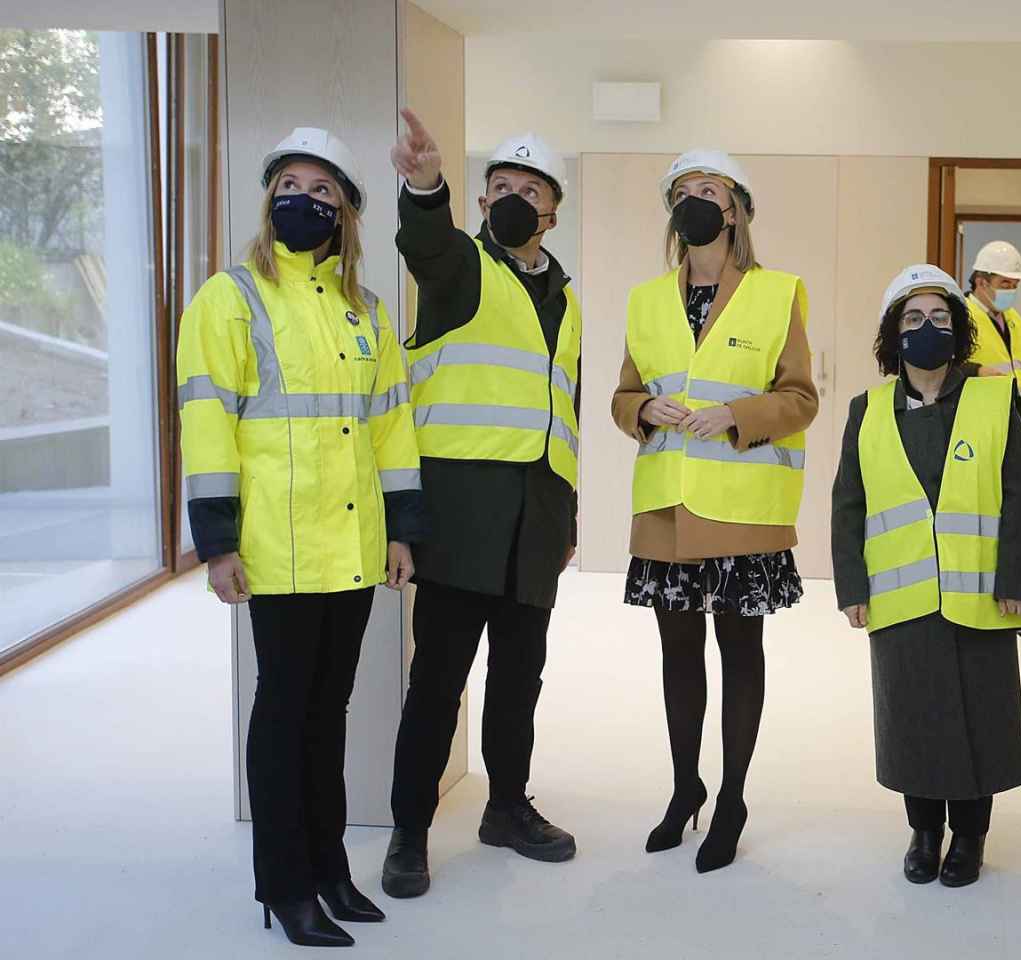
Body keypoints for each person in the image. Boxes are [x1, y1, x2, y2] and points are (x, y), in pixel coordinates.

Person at [179, 127, 424, 947]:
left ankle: (329, 870)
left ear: (347, 214)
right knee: (284, 714)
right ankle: (283, 887)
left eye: (324, 192)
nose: (306, 201)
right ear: (268, 196)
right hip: (276, 551)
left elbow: (391, 427)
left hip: (352, 550)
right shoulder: (231, 297)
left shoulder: (366, 310)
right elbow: (207, 423)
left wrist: (402, 532)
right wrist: (217, 543)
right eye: (292, 183)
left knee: (330, 711)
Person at [382, 112, 583, 899]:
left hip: (535, 520)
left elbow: (558, 412)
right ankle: (408, 828)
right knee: (438, 678)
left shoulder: (567, 299)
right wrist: (425, 186)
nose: (512, 198)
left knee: (519, 676)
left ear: (553, 209)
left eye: (529, 189)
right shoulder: (461, 265)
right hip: (462, 515)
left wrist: (565, 516)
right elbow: (424, 240)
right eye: (499, 186)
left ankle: (505, 806)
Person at [612, 149, 818, 873]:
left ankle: (731, 797)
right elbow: (621, 398)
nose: (694, 200)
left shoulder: (778, 292)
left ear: (735, 210)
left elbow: (801, 399)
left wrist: (735, 413)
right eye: (682, 191)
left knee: (739, 655)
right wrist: (644, 408)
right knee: (677, 656)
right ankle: (684, 787)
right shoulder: (645, 300)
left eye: (709, 190)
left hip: (743, 511)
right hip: (667, 508)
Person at [831, 264, 1021, 888]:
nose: (928, 329)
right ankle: (923, 832)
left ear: (960, 329)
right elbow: (849, 503)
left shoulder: (993, 400)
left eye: (941, 318)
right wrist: (853, 587)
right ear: (894, 334)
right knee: (912, 719)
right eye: (914, 319)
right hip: (902, 598)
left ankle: (970, 839)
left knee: (982, 716)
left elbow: (1019, 497)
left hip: (981, 596)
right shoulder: (866, 410)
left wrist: (1017, 579)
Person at [966, 239, 1021, 615]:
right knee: (988, 513)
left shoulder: (1014, 320)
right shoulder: (962, 316)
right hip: (983, 427)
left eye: (1015, 284)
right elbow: (948, 369)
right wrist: (975, 372)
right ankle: (986, 588)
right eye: (1005, 283)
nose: (1011, 291)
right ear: (981, 280)